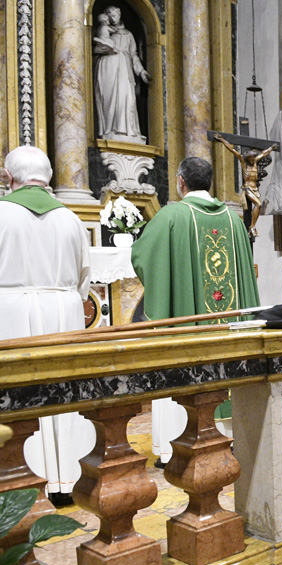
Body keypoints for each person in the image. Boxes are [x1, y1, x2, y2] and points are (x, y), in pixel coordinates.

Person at [131, 157, 260, 466]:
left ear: (181, 182)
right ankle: (228, 437)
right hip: (228, 331)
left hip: (190, 328)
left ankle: (175, 446)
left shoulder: (172, 216)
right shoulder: (232, 220)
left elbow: (142, 257)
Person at [0, 146, 95, 500]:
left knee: (20, 395)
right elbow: (85, 277)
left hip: (10, 314)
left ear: (9, 178)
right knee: (64, 391)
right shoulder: (69, 218)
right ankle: (66, 479)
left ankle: (22, 481)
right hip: (63, 311)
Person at [93, 6, 150, 142]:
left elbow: (134, 55)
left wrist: (141, 71)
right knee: (109, 98)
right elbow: (95, 49)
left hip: (125, 68)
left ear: (120, 15)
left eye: (115, 15)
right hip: (108, 67)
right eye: (110, 15)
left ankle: (127, 131)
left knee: (126, 97)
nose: (113, 18)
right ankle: (109, 130)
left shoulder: (128, 34)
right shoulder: (104, 30)